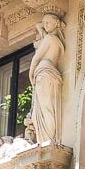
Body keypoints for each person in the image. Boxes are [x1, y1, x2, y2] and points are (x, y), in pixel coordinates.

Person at [28, 13, 65, 145]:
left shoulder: (49, 38)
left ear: (56, 23)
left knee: (43, 111)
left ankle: (46, 141)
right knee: (49, 109)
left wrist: (30, 74)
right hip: (53, 74)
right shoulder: (58, 41)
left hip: (43, 73)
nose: (45, 25)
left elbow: (36, 58)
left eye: (47, 23)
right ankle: (50, 139)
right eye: (44, 23)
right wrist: (40, 29)